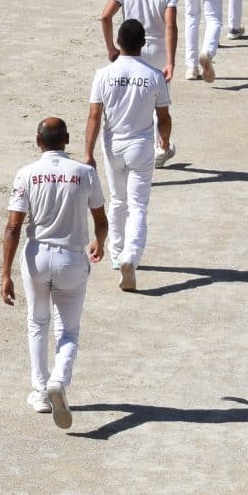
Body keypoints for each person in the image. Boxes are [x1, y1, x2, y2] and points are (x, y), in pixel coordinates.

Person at [1, 117, 105, 426]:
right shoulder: (85, 174)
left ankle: (41, 392)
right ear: (68, 139)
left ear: (38, 141)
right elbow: (101, 218)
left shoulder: (26, 174)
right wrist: (100, 242)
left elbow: (13, 227)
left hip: (37, 258)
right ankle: (59, 379)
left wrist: (5, 273)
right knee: (69, 330)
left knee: (37, 322)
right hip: (72, 259)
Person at [85, 20, 170, 293]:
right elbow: (163, 116)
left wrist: (87, 152)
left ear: (118, 42)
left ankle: (115, 252)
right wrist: (165, 141)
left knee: (117, 200)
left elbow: (95, 116)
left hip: (113, 145)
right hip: (141, 145)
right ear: (143, 44)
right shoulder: (154, 75)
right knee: (138, 205)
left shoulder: (103, 74)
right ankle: (130, 257)